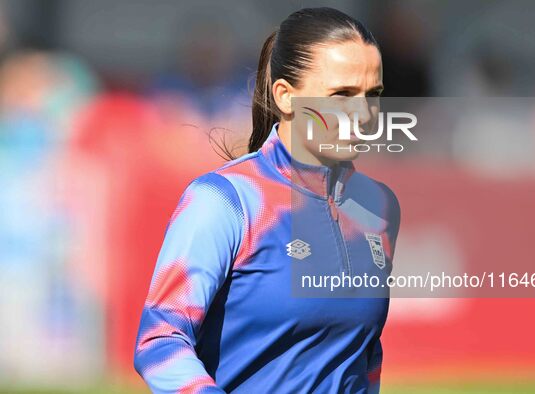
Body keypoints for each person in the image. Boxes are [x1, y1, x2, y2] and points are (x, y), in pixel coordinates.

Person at [134, 7, 400, 393]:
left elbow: (364, 354)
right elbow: (159, 340)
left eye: (371, 95)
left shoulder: (378, 207)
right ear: (286, 97)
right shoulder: (226, 201)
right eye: (341, 94)